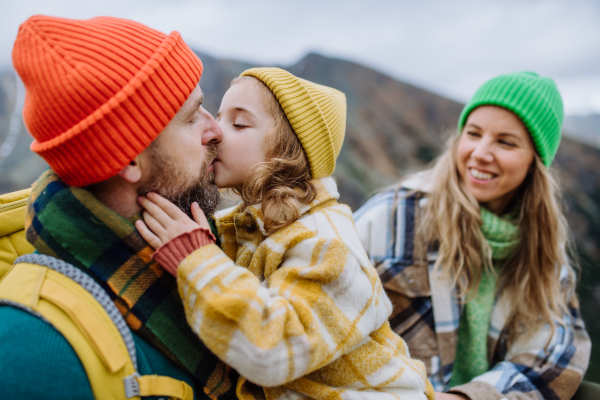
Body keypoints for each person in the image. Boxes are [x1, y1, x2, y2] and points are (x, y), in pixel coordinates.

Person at [135, 68, 435, 400]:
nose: (217, 132)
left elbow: (272, 349)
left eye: (239, 124)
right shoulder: (249, 223)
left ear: (286, 153)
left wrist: (196, 260)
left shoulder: (325, 241)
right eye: (220, 117)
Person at [0, 15, 238, 399]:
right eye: (191, 116)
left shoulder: (208, 257)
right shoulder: (32, 347)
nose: (215, 130)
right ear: (128, 157)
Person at [353, 71, 591, 400]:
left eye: (505, 142)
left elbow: (557, 352)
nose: (480, 152)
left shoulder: (541, 245)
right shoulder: (394, 216)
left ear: (534, 162)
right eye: (473, 133)